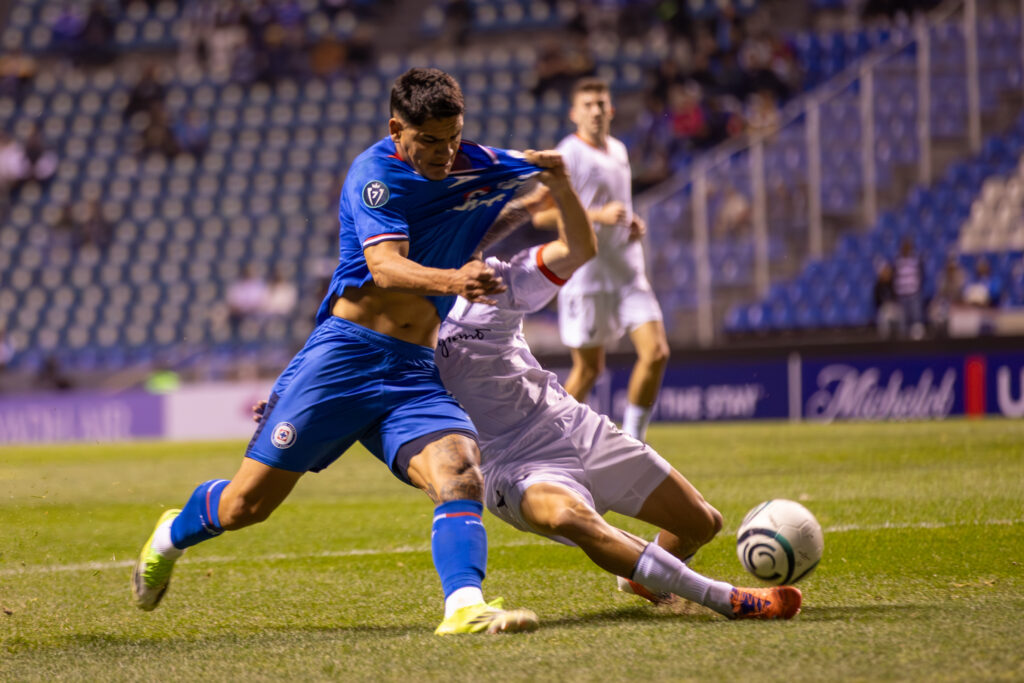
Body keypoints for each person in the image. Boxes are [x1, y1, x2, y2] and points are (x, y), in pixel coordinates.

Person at [131, 67, 561, 636]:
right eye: (429, 141)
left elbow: (501, 199)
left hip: (411, 369)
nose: (443, 152)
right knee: (245, 508)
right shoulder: (374, 176)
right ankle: (171, 535)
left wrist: (548, 188)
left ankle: (464, 606)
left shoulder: (479, 162)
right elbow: (385, 268)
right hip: (343, 358)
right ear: (396, 127)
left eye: (453, 137)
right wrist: (456, 281)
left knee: (459, 471)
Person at [432, 168, 801, 621]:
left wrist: (562, 189)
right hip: (509, 463)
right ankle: (726, 599)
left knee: (703, 523)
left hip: (569, 423)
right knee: (571, 518)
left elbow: (582, 249)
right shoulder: (411, 320)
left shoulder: (500, 279)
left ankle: (641, 576)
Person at [536, 77, 669, 442]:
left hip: (628, 271)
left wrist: (630, 222)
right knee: (589, 371)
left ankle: (633, 442)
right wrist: (597, 216)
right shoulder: (568, 154)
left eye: (601, 104)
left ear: (610, 110)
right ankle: (547, 441)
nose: (595, 111)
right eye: (588, 105)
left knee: (656, 353)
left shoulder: (620, 151)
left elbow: (618, 208)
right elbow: (542, 216)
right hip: (587, 277)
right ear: (574, 113)